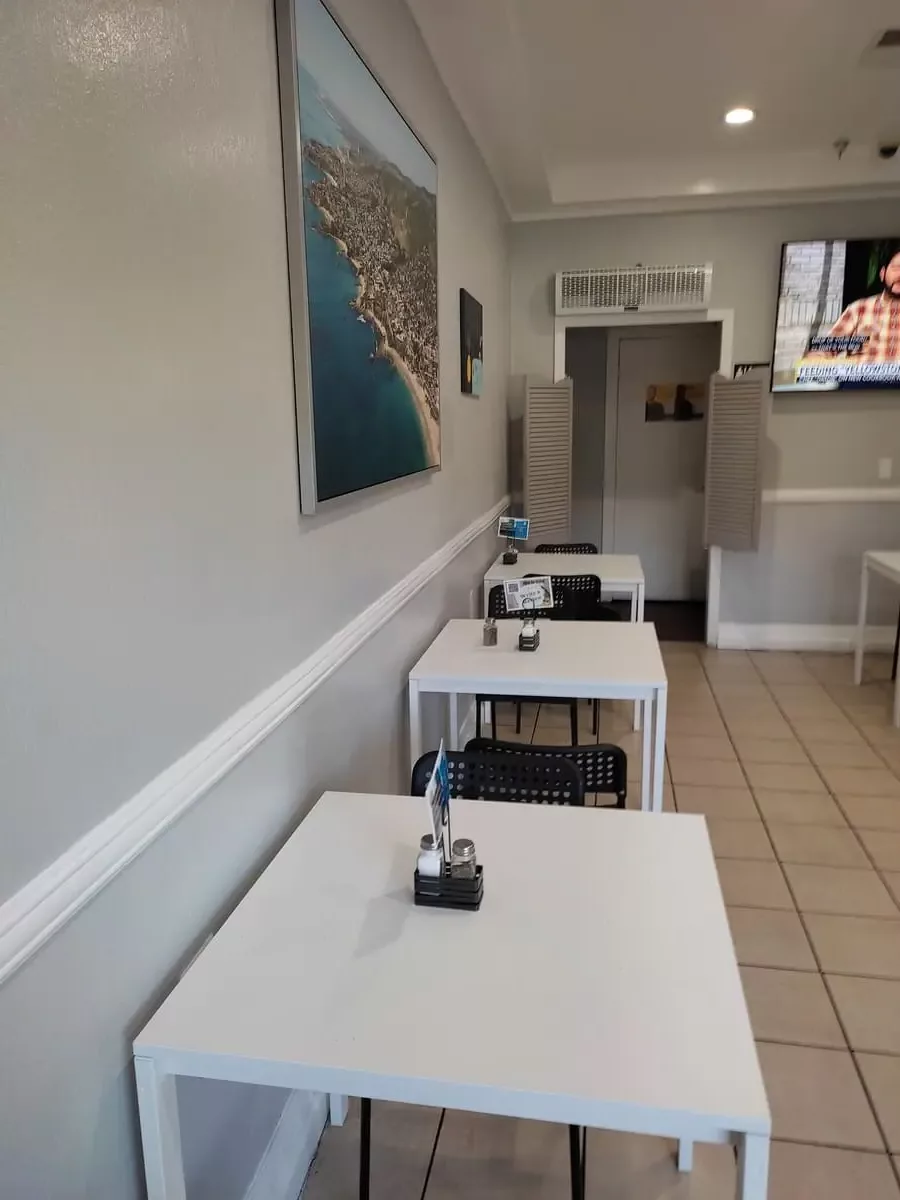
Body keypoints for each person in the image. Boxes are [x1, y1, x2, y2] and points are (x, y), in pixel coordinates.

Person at [825, 248, 900, 360]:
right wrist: (817, 355)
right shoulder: (859, 309)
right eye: (896, 268)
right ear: (882, 273)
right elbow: (827, 346)